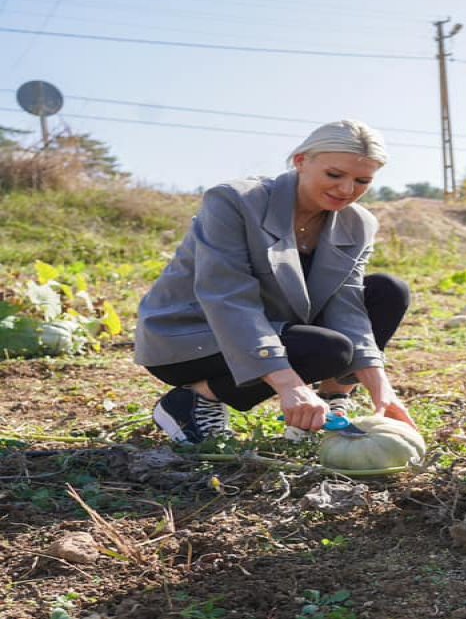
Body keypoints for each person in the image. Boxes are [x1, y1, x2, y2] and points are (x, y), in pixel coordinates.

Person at [133, 119, 414, 444]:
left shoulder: (358, 223)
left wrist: (382, 389)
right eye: (334, 175)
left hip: (277, 328)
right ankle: (194, 399)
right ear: (301, 161)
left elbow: (347, 306)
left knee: (387, 292)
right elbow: (228, 298)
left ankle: (331, 401)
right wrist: (290, 386)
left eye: (362, 180)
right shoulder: (235, 201)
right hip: (194, 336)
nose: (347, 190)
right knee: (327, 350)